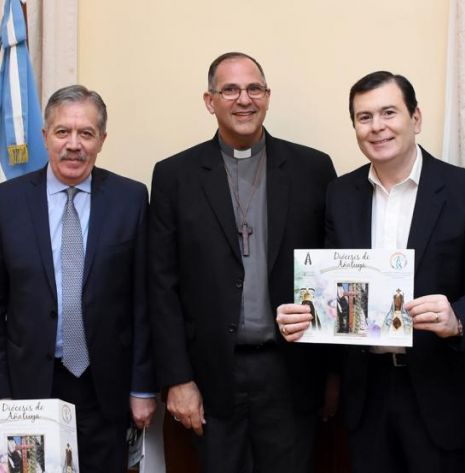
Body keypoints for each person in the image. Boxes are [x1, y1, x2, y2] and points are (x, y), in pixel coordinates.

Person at [277, 71, 465, 473]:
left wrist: (457, 318)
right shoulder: (340, 194)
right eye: (364, 117)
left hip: (444, 392)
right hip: (368, 394)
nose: (377, 127)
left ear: (415, 118)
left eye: (388, 113)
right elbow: (332, 286)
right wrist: (304, 314)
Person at [148, 52, 337, 473]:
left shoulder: (313, 168)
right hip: (211, 374)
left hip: (290, 372)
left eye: (254, 89)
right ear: (209, 100)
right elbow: (161, 286)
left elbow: (332, 269)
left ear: (267, 96)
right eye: (230, 90)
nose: (244, 99)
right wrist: (177, 379)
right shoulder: (175, 176)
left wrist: (333, 375)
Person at [0, 85, 157, 473]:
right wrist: (0, 398)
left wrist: (142, 387)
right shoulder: (4, 203)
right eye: (63, 132)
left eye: (86, 133)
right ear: (45, 136)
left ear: (102, 139)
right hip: (28, 390)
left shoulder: (130, 199)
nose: (74, 144)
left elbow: (143, 302)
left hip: (105, 388)